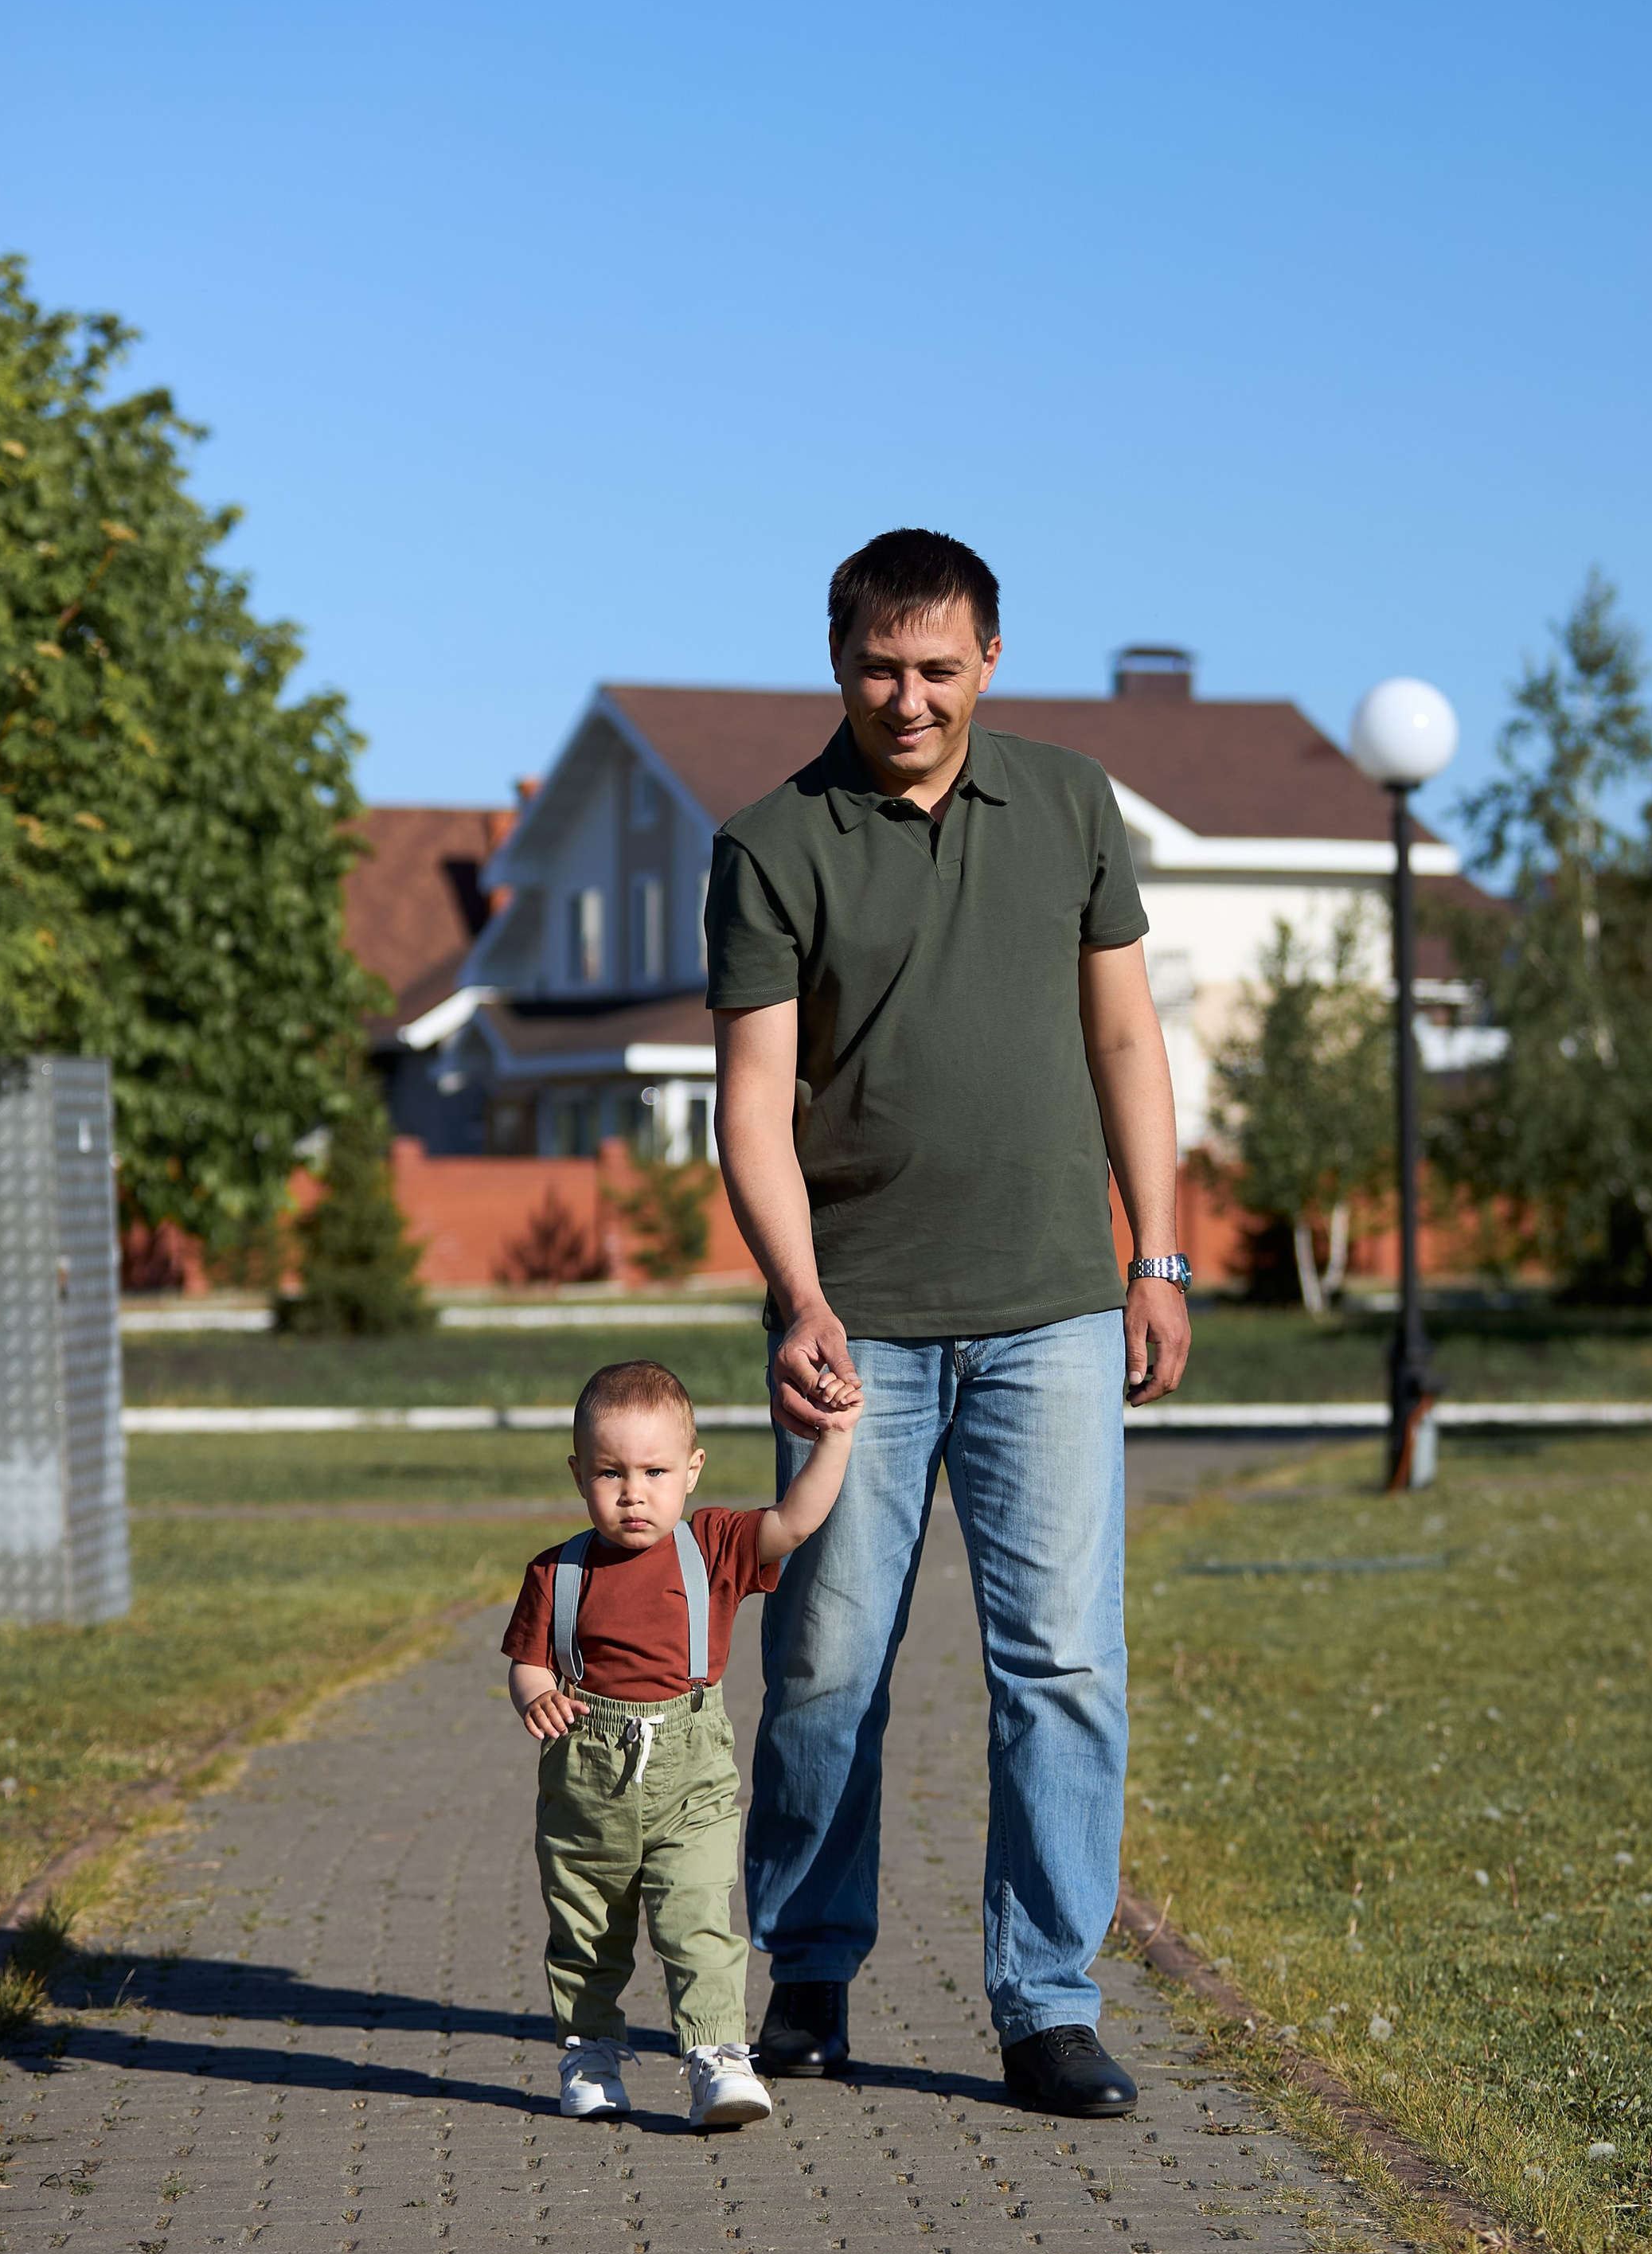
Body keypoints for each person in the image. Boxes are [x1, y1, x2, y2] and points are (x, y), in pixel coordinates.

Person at [709, 526, 1192, 2120]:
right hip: (860, 1327)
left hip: (1052, 1313)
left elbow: (1125, 1039)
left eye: (934, 668)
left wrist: (1158, 1256)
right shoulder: (772, 843)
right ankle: (809, 1971)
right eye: (874, 668)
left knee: (1062, 1666)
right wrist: (796, 1299)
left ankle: (1045, 2003)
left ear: (990, 657)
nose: (904, 698)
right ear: (833, 662)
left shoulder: (1067, 805)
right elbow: (755, 1103)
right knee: (829, 1664)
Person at [502, 1354, 861, 2128]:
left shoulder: (716, 1547)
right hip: (585, 1793)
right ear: (578, 1474)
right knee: (587, 1931)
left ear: (692, 1471)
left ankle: (716, 2057)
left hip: (690, 1784)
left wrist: (833, 1439)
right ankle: (590, 2052)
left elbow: (796, 1520)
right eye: (610, 1474)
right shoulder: (558, 1571)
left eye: (655, 1471)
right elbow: (529, 1659)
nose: (634, 1493)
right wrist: (534, 1692)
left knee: (696, 1917)